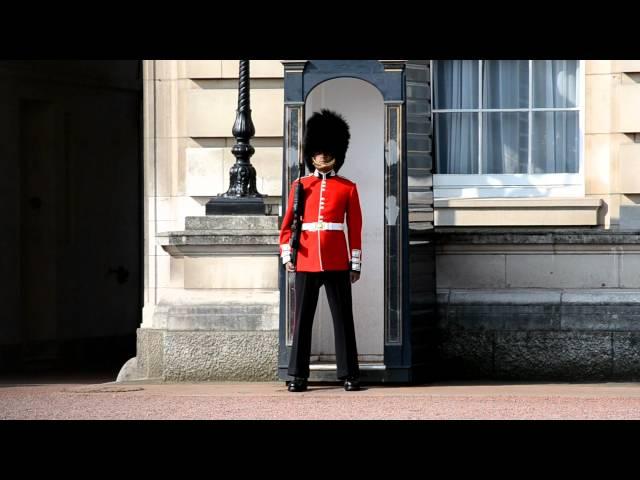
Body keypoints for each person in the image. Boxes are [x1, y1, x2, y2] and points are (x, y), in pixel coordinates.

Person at [279, 109, 363, 392]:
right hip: (305, 259)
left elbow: (355, 228)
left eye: (328, 151)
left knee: (343, 318)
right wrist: (287, 255)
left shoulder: (348, 188)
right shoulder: (300, 186)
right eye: (318, 151)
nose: (323, 155)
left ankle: (350, 373)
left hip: (338, 259)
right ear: (311, 154)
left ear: (338, 153)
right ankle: (297, 375)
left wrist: (355, 262)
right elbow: (288, 224)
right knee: (302, 321)